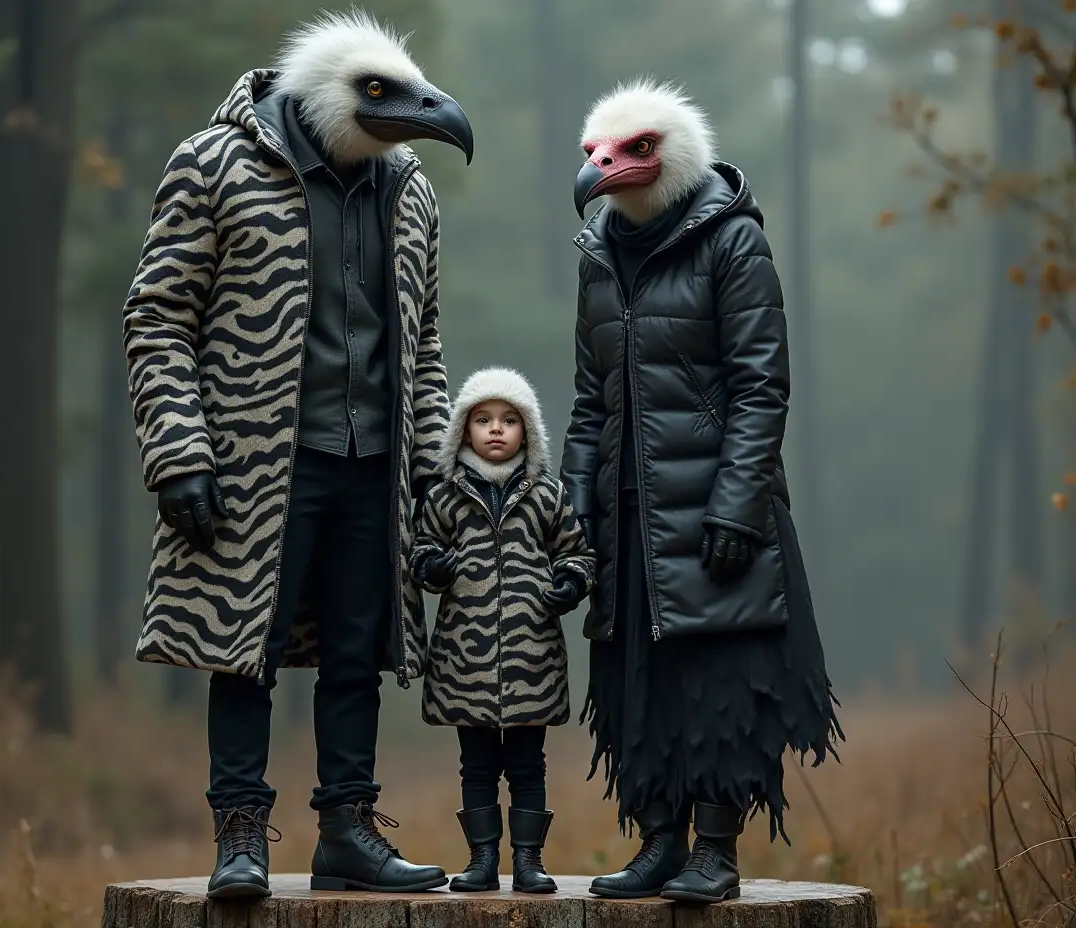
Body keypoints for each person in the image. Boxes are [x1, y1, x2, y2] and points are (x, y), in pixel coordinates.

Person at [121, 11, 474, 898]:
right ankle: (240, 836)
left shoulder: (410, 191)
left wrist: (432, 468)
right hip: (252, 460)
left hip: (373, 462)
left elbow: (424, 348)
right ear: (324, 91)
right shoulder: (214, 164)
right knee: (244, 648)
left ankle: (347, 832)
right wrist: (178, 450)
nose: (416, 111)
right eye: (381, 95)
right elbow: (158, 315)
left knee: (360, 649)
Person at [562, 78, 844, 904]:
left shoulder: (732, 242)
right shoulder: (598, 258)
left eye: (633, 150)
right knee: (639, 679)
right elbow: (590, 401)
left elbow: (762, 388)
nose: (608, 168)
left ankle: (714, 851)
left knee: (722, 681)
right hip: (629, 511)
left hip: (724, 507)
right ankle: (659, 841)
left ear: (673, 152)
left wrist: (736, 505)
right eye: (596, 157)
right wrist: (575, 506)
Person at [410, 367, 595, 894]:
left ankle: (530, 862)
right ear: (462, 429)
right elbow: (420, 550)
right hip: (463, 660)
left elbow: (578, 552)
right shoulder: (444, 498)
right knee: (475, 765)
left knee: (528, 764)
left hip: (530, 655)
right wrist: (433, 567)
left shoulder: (546, 495)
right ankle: (482, 860)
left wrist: (569, 583)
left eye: (510, 420)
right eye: (484, 419)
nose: (496, 429)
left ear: (528, 431)